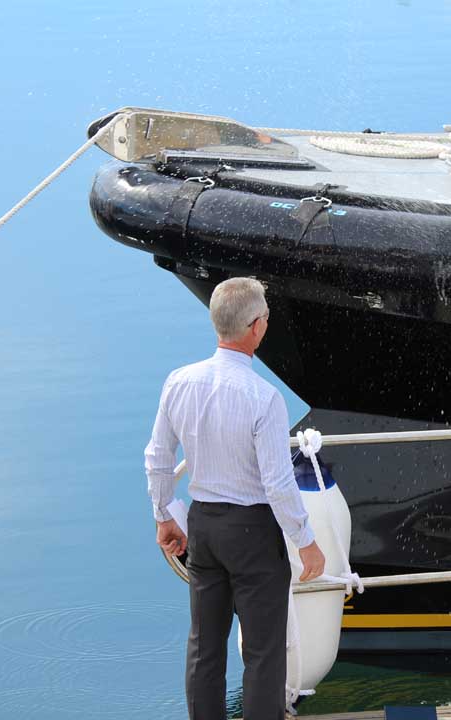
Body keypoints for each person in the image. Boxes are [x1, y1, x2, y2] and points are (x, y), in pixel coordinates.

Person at [145, 277, 327, 720]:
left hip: (203, 528)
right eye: (265, 316)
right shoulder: (265, 399)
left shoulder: (179, 381)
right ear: (254, 328)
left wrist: (165, 515)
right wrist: (305, 541)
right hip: (253, 535)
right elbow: (278, 482)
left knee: (204, 647)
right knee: (264, 653)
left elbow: (157, 455)